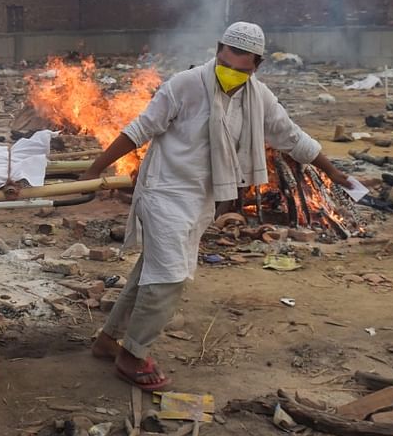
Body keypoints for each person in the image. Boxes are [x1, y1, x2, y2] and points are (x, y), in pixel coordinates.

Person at [81, 22, 355, 391]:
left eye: (242, 69)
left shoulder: (258, 97)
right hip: (165, 191)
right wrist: (93, 172)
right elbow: (139, 129)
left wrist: (333, 173)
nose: (232, 74)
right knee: (170, 276)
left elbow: (291, 136)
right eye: (227, 63)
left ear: (256, 65)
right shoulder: (185, 85)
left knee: (154, 271)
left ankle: (109, 340)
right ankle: (132, 355)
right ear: (217, 50)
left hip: (201, 198)